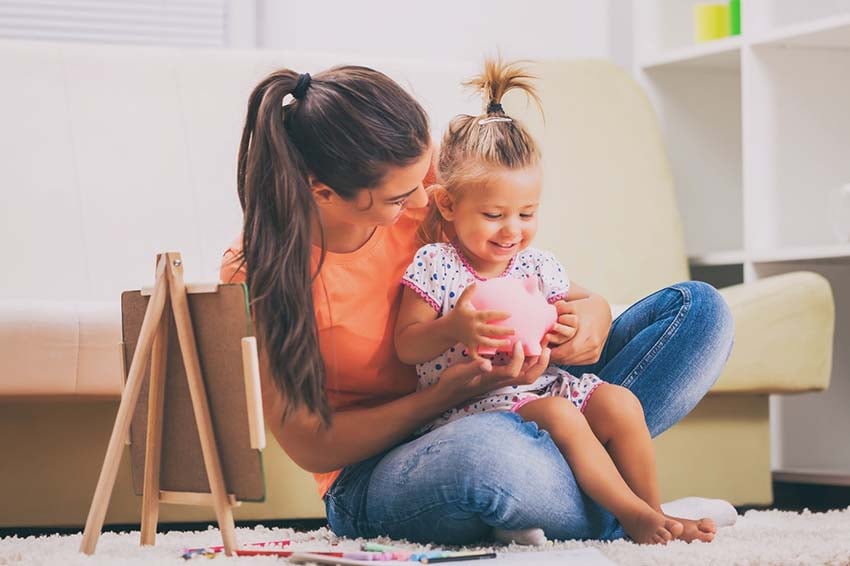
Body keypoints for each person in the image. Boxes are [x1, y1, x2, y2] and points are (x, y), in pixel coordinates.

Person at [220, 62, 735, 545]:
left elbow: (530, 280)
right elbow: (312, 444)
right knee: (488, 457)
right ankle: (628, 507)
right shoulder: (261, 271)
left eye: (426, 179)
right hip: (390, 463)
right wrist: (442, 396)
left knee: (699, 312)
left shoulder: (416, 183)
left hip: (524, 394)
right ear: (323, 191)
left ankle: (601, 502)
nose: (424, 204)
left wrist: (591, 316)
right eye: (400, 199)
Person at [394, 59, 716, 545]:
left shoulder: (537, 265)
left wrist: (568, 328)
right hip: (474, 411)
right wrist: (453, 329)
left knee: (620, 402)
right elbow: (406, 345)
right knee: (563, 415)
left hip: (542, 387)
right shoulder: (435, 265)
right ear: (448, 205)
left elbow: (572, 310)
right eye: (494, 214)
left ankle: (653, 511)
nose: (512, 230)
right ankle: (629, 514)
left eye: (527, 213)